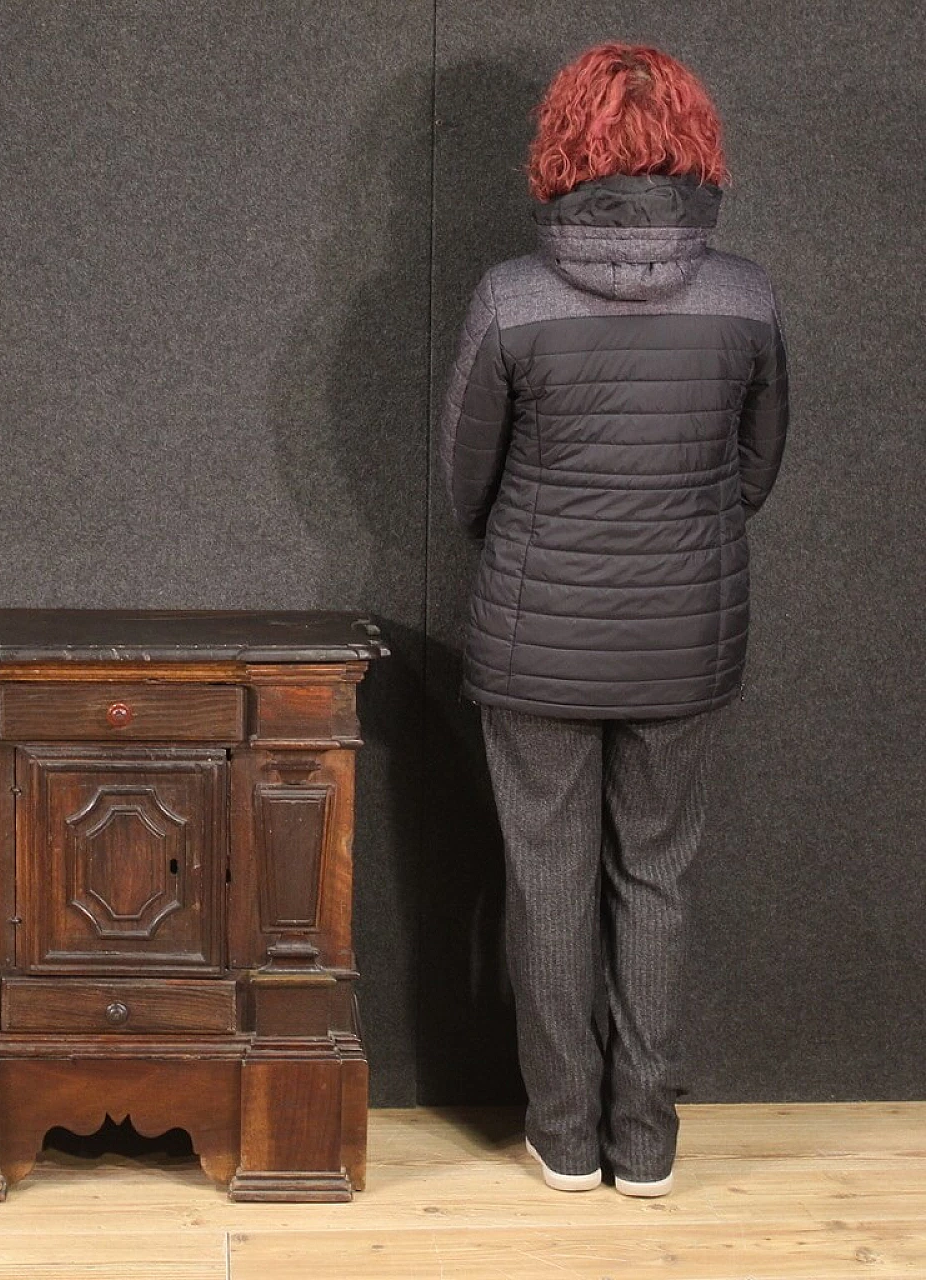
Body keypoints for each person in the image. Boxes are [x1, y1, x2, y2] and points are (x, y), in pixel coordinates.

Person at [438, 42, 789, 1197]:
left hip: (533, 638)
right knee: (655, 877)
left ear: (562, 151)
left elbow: (464, 483)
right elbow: (752, 469)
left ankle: (564, 1136)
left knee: (543, 881)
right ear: (692, 148)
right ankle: (643, 1141)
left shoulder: (510, 297)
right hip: (685, 639)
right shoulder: (742, 295)